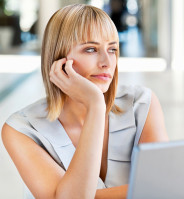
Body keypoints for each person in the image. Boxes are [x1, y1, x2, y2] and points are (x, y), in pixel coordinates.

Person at [1, 4, 168, 199]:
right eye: (90, 49)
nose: (107, 62)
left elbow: (161, 188)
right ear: (59, 58)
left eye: (112, 49)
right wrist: (95, 106)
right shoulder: (21, 128)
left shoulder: (141, 103)